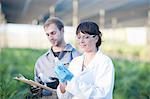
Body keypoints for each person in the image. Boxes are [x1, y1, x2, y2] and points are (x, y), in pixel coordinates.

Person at [56, 21, 115, 99]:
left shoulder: (105, 62)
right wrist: (63, 84)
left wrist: (72, 81)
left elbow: (102, 94)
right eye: (79, 37)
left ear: (96, 38)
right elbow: (66, 96)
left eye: (86, 37)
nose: (81, 41)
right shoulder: (75, 62)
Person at [30, 17, 80, 99]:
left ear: (62, 30)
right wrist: (36, 90)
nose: (50, 37)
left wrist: (63, 83)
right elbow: (38, 86)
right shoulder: (41, 61)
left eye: (53, 33)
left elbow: (84, 85)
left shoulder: (77, 57)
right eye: (47, 34)